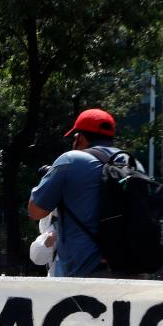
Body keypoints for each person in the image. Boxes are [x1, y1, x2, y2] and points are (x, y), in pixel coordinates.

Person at [26, 108, 121, 277]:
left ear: (79, 137)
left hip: (83, 271)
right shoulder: (130, 163)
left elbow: (35, 211)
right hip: (126, 268)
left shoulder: (71, 160)